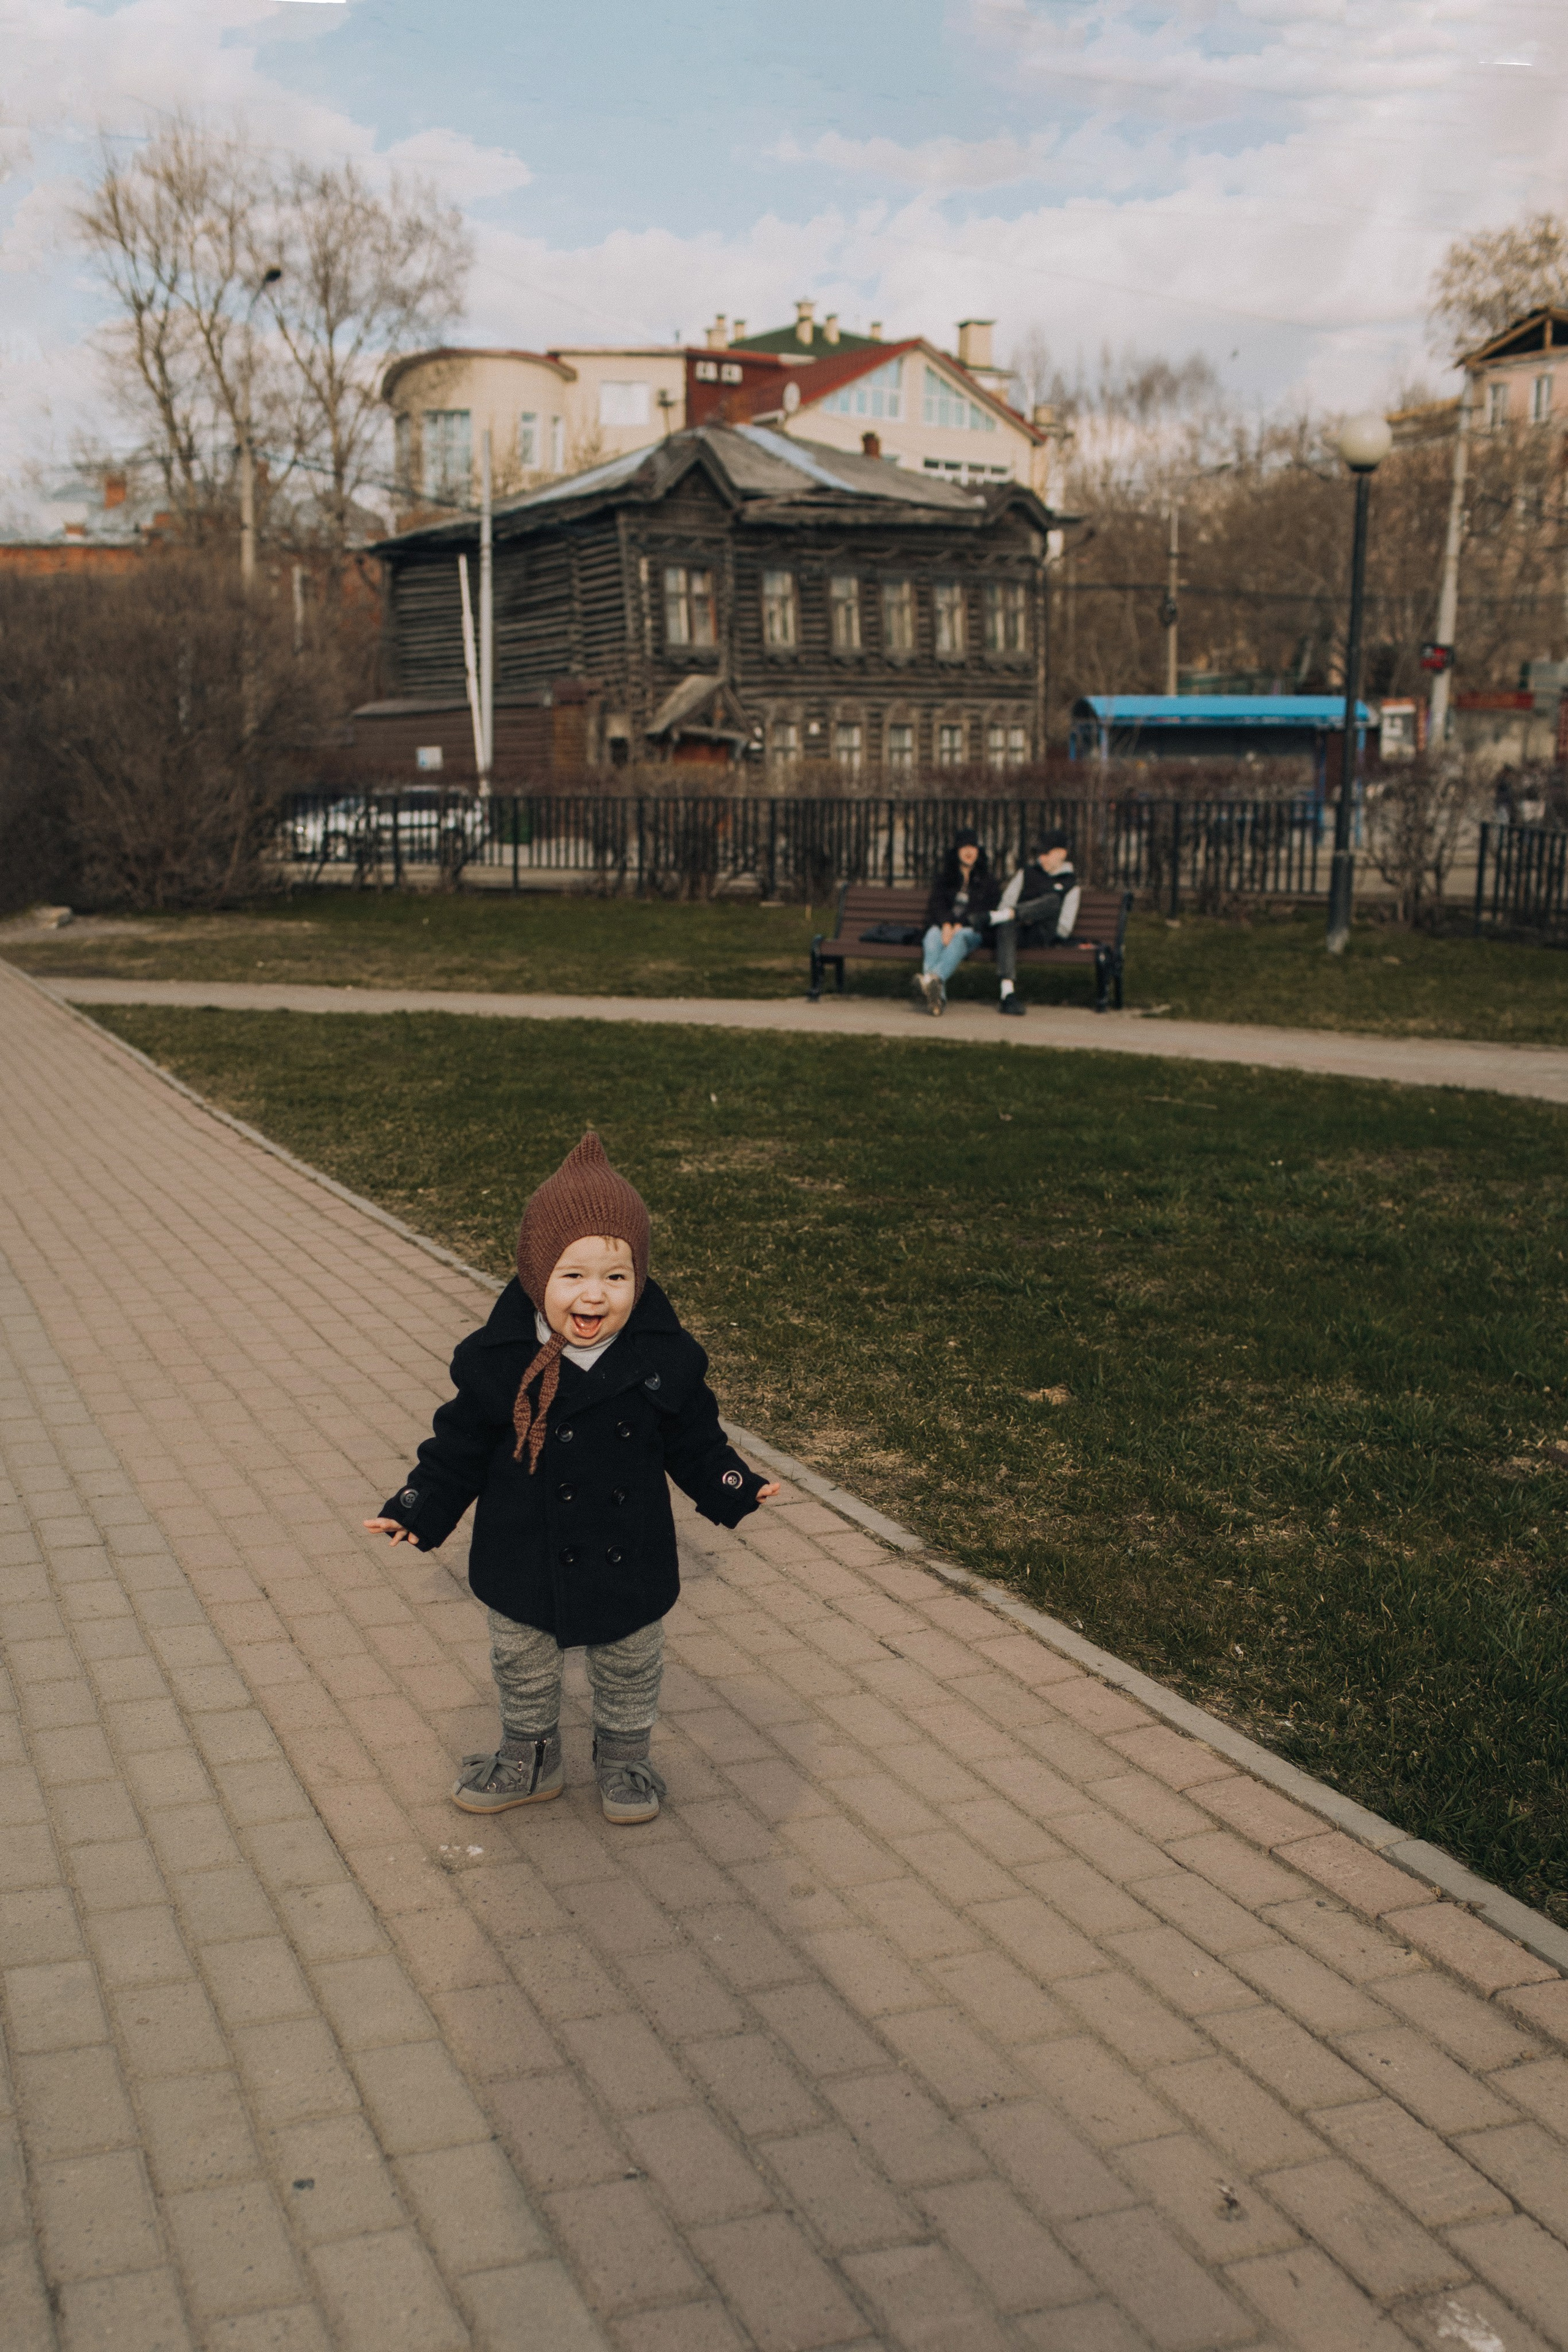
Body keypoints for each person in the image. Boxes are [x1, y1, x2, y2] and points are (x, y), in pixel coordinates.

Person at [363, 1133, 780, 1825]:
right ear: (535, 1276)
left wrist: (731, 1482)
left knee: (630, 1664)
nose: (594, 1295)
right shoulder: (498, 1360)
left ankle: (624, 1761)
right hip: (523, 1546)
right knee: (522, 1664)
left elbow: (695, 1438)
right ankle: (532, 1761)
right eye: (572, 1276)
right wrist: (418, 1505)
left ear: (639, 1281)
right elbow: (457, 1446)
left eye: (615, 1278)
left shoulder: (663, 1357)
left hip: (630, 1546)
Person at [973, 832, 1082, 1016]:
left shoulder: (1071, 885)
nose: (1042, 858)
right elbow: (1005, 904)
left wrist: (1029, 915)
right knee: (1006, 922)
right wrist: (1017, 917)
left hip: (1042, 933)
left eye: (1047, 854)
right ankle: (1008, 994)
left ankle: (996, 917)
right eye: (1040, 853)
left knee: (1053, 901)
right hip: (1017, 931)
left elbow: (1063, 929)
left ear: (1062, 854)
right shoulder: (1026, 874)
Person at [916, 827, 999, 1014]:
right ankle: (938, 1000)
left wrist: (959, 924)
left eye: (973, 847)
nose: (969, 852)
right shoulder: (945, 877)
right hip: (944, 926)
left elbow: (984, 909)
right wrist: (946, 924)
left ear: (979, 851)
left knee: (960, 936)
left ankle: (933, 979)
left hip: (973, 930)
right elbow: (937, 904)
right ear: (957, 851)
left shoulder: (988, 880)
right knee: (931, 937)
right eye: (964, 847)